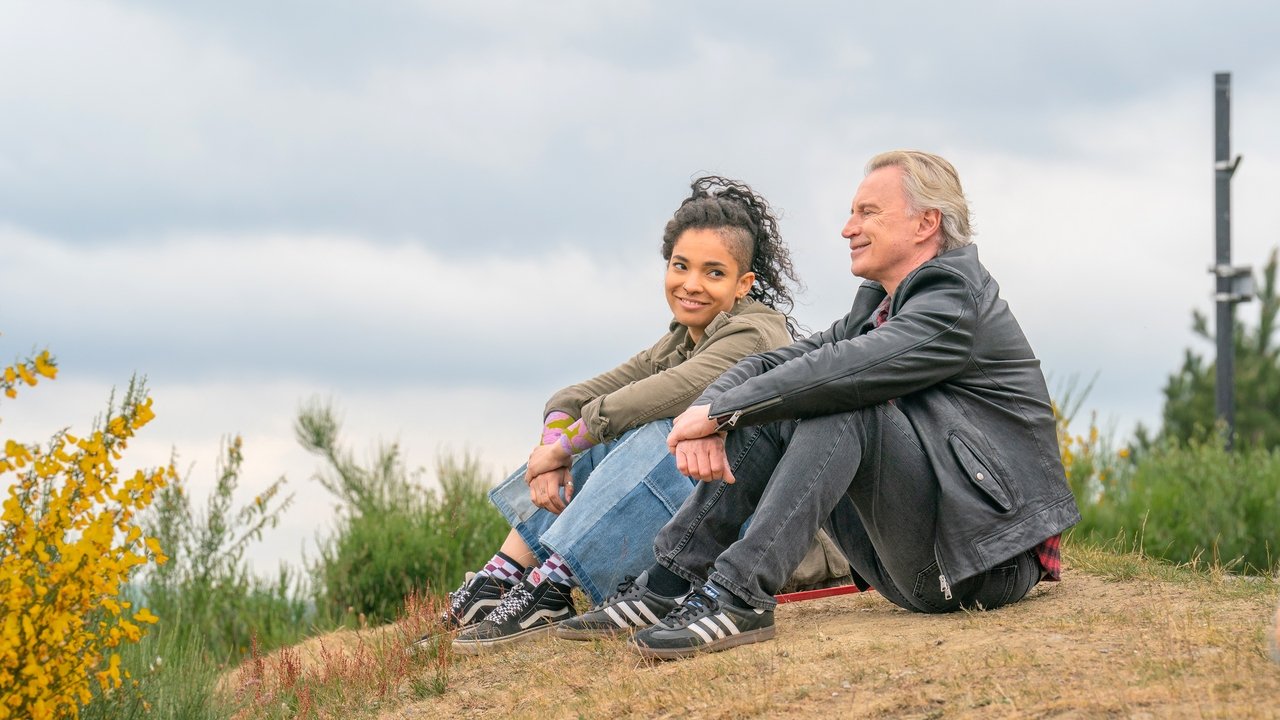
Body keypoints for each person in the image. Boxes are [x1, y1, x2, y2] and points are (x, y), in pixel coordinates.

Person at [564, 150, 1081, 659]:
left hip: (987, 560)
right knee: (786, 399)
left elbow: (845, 372)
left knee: (843, 400)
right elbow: (774, 364)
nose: (847, 228)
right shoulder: (878, 307)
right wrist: (713, 409)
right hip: (915, 557)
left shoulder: (955, 301)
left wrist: (721, 414)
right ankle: (668, 582)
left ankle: (739, 595)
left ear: (926, 223)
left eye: (867, 212)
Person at [435, 176, 808, 654]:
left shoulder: (754, 335)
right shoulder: (684, 337)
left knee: (659, 429)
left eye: (713, 273)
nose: (691, 284)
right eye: (680, 266)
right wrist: (555, 447)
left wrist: (566, 446)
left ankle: (553, 583)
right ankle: (503, 576)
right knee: (607, 431)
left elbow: (659, 396)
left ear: (743, 284)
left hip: (765, 534)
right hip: (709, 516)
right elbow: (576, 396)